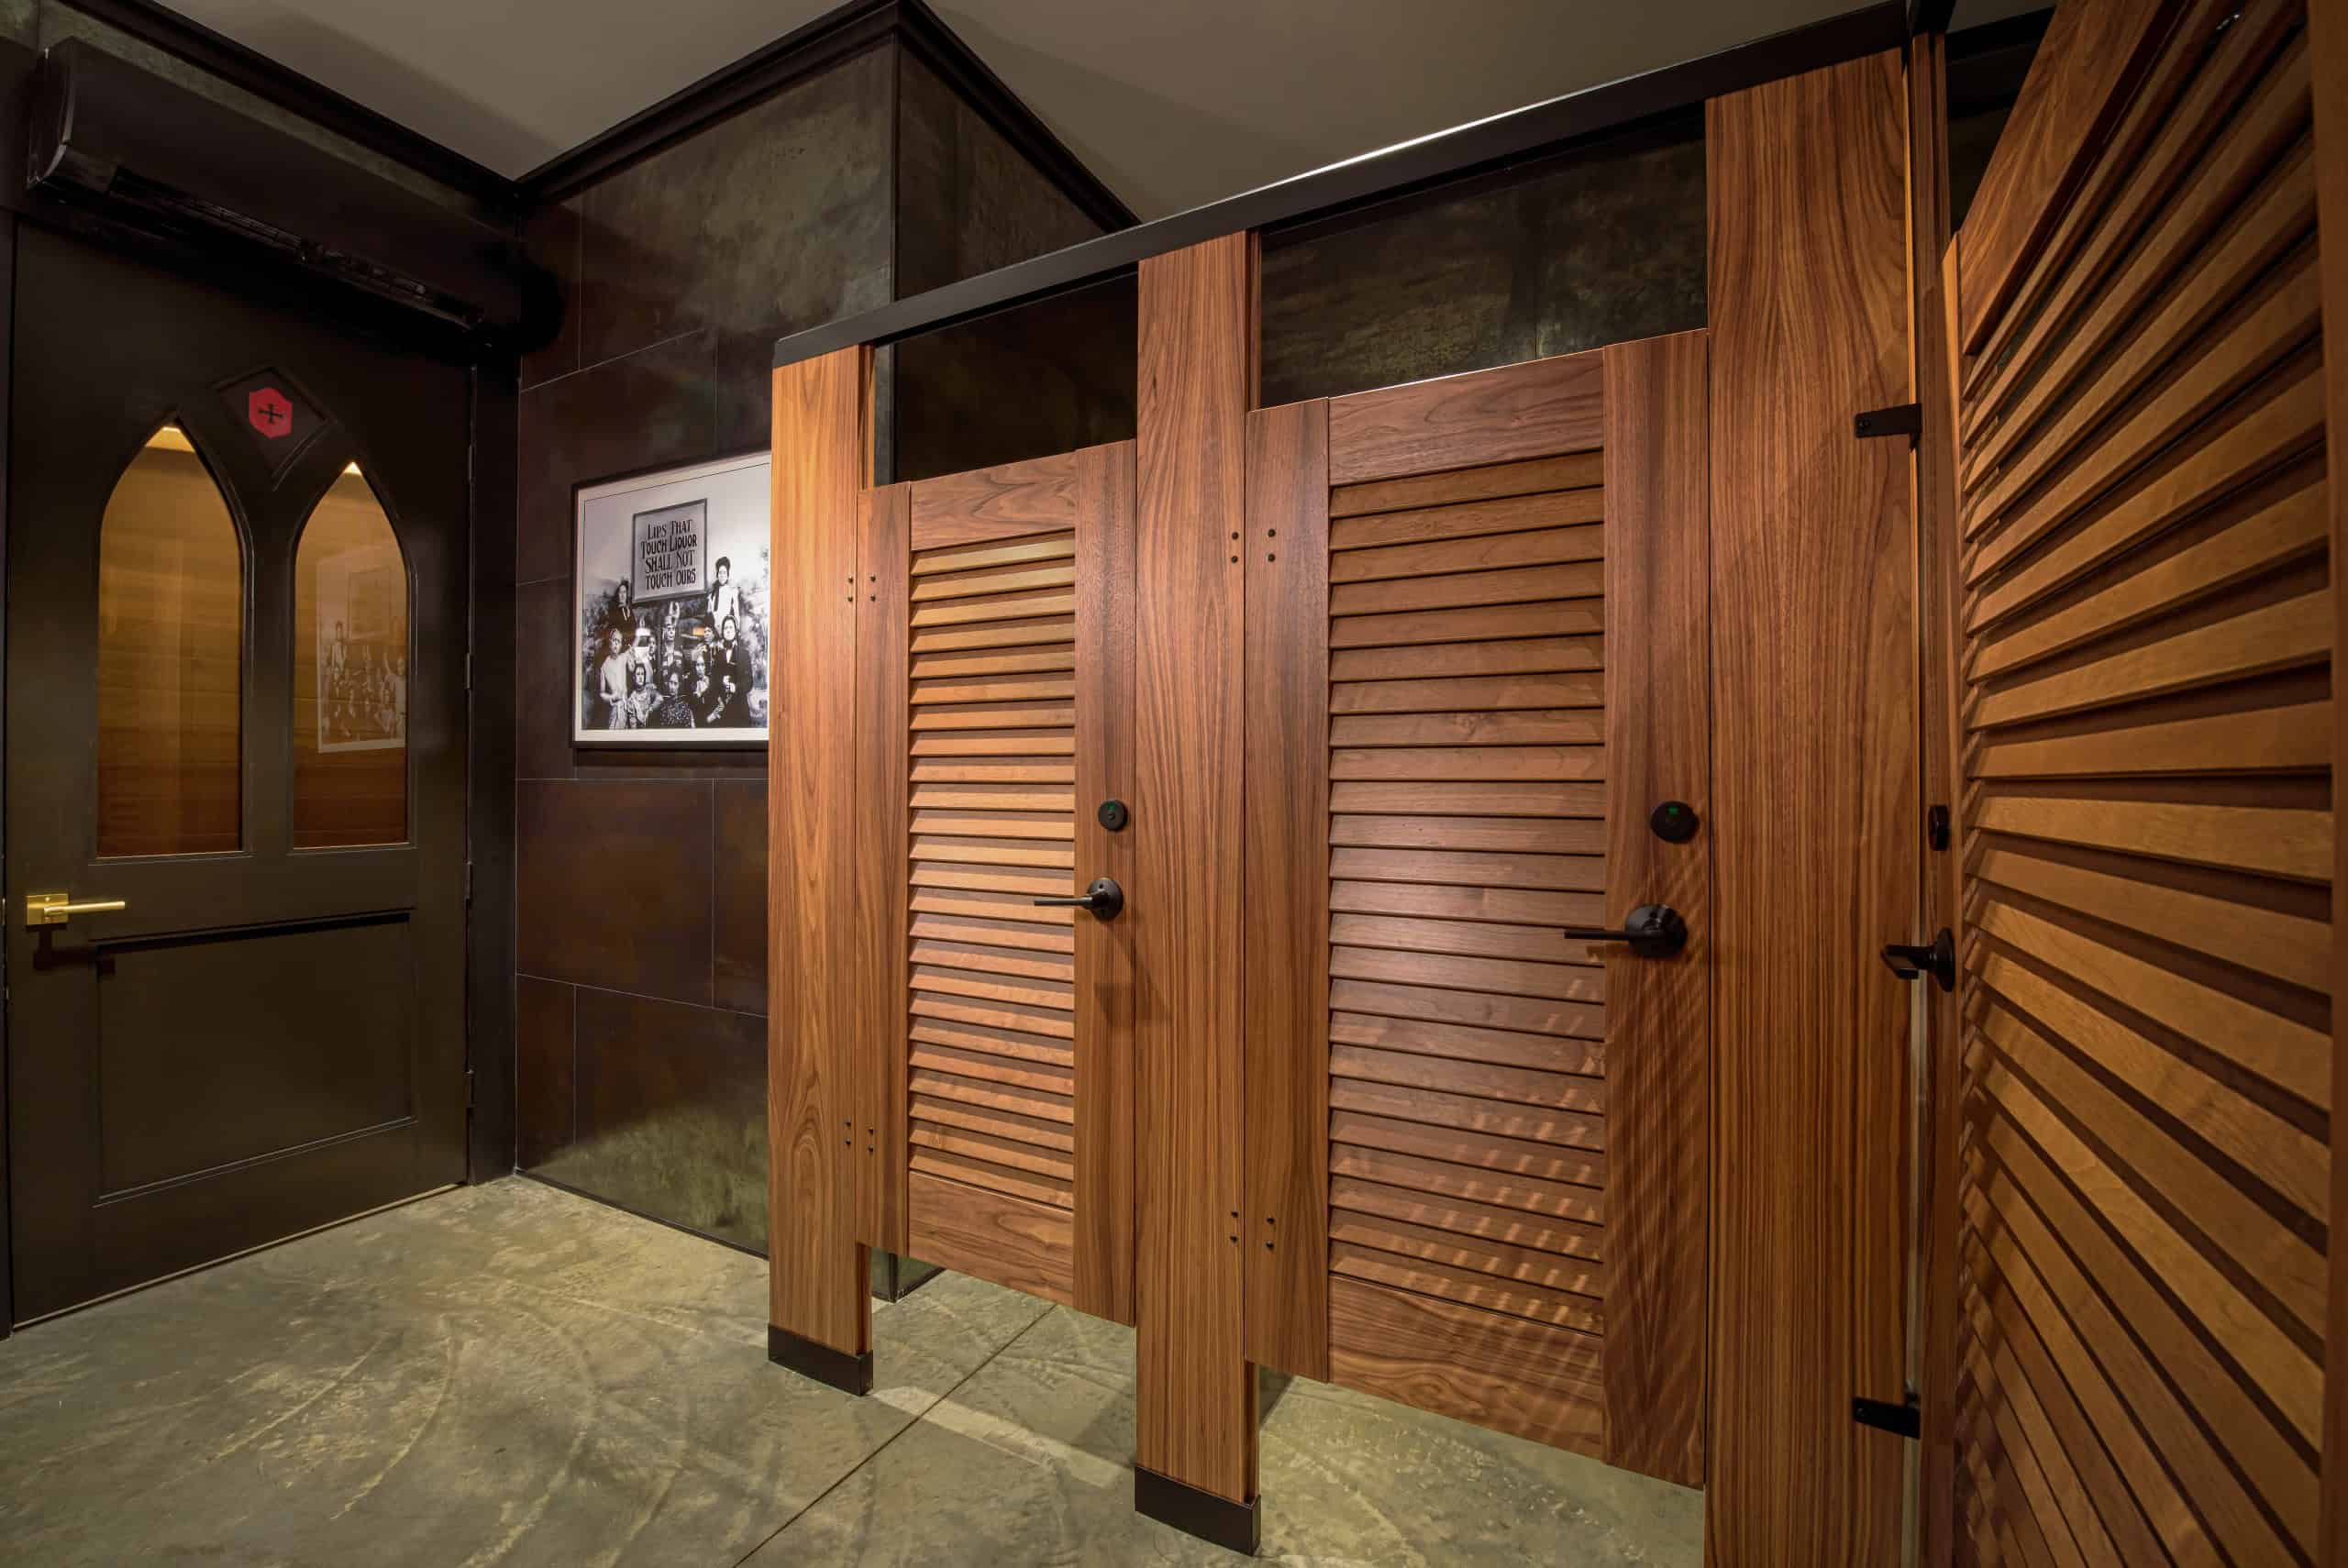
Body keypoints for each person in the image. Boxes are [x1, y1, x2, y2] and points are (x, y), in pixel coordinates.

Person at [713, 614, 754, 727]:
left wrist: (736, 687)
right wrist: (721, 681)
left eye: (731, 627)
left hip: (740, 709)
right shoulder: (717, 655)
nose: (728, 630)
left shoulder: (744, 654)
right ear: (722, 632)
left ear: (736, 630)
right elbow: (713, 681)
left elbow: (749, 682)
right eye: (726, 628)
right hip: (723, 710)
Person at [596, 625, 632, 729]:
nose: (616, 643)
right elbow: (601, 693)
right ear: (610, 642)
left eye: (619, 641)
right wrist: (611, 697)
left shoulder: (623, 658)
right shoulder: (604, 666)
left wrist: (639, 630)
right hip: (614, 710)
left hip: (626, 707)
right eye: (614, 640)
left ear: (621, 645)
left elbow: (633, 647)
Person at [650, 663, 697, 730]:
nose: (672, 687)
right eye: (671, 683)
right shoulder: (664, 708)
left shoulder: (685, 708)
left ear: (679, 685)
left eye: (675, 684)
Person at [704, 557, 740, 641]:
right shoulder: (712, 594)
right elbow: (709, 614)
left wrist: (737, 630)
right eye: (720, 573)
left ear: (728, 575)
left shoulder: (732, 591)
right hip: (715, 633)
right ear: (717, 575)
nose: (722, 575)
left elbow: (736, 612)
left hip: (728, 631)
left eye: (724, 573)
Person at [623, 658, 658, 729]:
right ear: (634, 677)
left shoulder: (649, 690)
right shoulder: (631, 699)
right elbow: (633, 725)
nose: (641, 677)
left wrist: (650, 709)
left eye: (642, 674)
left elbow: (660, 699)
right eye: (638, 674)